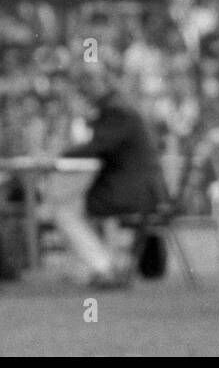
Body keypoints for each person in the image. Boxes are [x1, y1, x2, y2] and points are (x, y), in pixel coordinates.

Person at [54, 66, 167, 288]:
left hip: (133, 191)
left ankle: (104, 268)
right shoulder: (116, 107)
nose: (85, 92)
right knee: (74, 205)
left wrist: (59, 154)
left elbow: (97, 146)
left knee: (64, 210)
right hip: (135, 188)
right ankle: (101, 266)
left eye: (88, 85)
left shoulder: (117, 111)